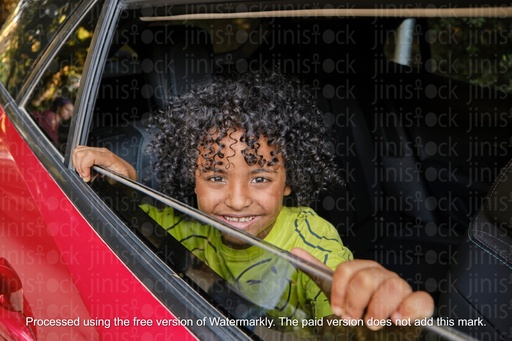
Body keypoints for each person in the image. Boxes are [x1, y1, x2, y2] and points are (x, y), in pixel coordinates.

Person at [73, 71, 433, 331]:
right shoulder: (188, 221)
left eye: (260, 178)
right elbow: (136, 220)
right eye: (216, 177)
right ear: (192, 179)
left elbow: (342, 310)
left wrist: (372, 320)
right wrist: (126, 182)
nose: (238, 200)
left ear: (288, 181)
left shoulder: (310, 241)